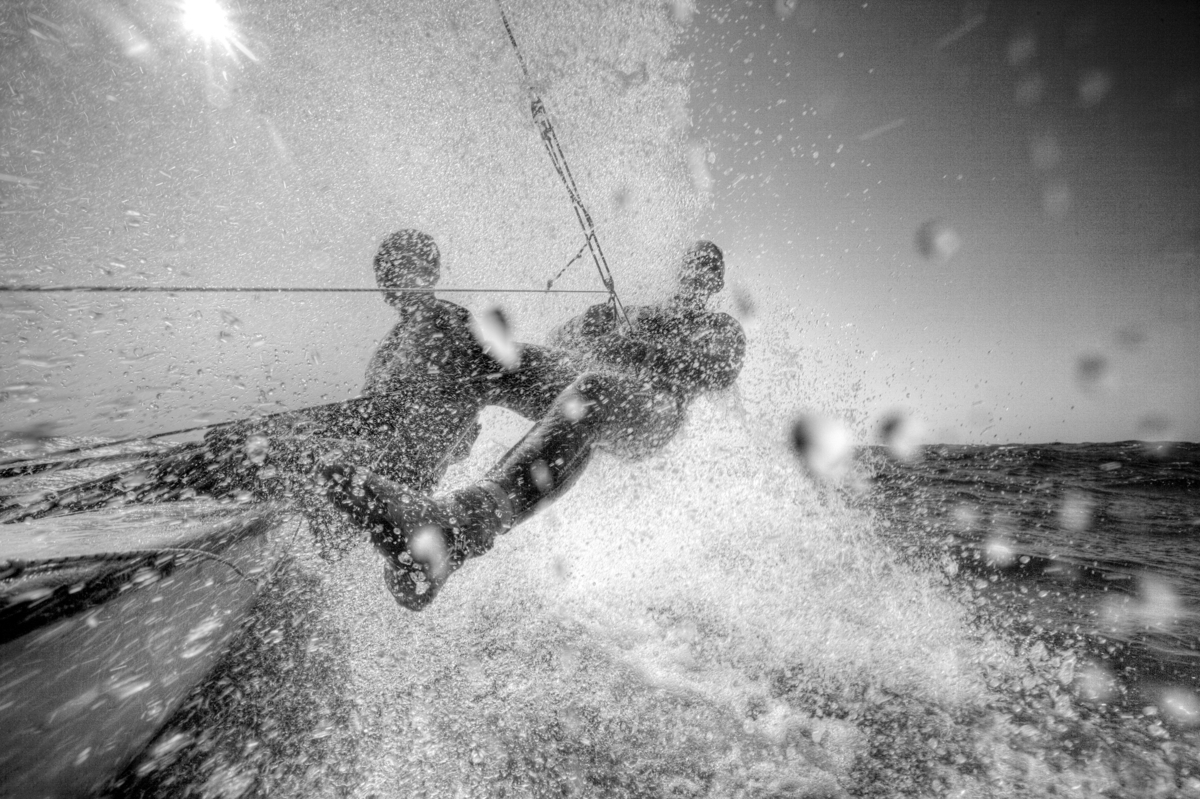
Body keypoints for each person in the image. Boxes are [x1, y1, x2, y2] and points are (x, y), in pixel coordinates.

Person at [323, 239, 746, 609]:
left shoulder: (718, 326)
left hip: (652, 410)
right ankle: (395, 470)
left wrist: (636, 344)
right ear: (681, 272)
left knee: (592, 391)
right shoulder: (633, 313)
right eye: (692, 268)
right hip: (586, 378)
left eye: (706, 273)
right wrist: (590, 326)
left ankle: (457, 529)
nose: (696, 278)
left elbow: (719, 368)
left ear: (714, 284)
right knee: (492, 353)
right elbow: (564, 338)